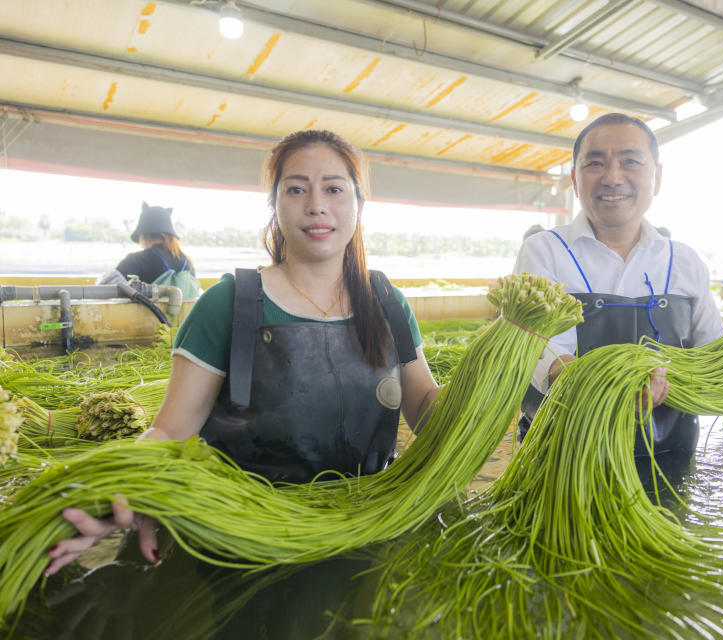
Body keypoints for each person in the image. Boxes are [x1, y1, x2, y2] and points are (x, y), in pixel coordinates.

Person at [46, 129, 440, 575]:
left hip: (368, 530)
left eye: (334, 188)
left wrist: (488, 388)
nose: (316, 204)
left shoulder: (388, 302)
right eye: (296, 189)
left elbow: (425, 406)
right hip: (243, 539)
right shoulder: (231, 303)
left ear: (358, 204)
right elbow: (171, 431)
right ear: (274, 205)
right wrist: (123, 484)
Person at [514, 113, 723, 462]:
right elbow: (541, 353)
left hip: (668, 456)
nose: (613, 177)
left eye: (630, 161)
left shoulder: (685, 261)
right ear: (575, 178)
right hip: (563, 456)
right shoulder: (544, 251)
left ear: (657, 177)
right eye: (595, 163)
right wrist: (603, 383)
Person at [97, 202, 201, 298]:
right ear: (169, 236)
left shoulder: (135, 260)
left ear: (143, 236)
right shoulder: (187, 263)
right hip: (183, 318)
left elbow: (102, 291)